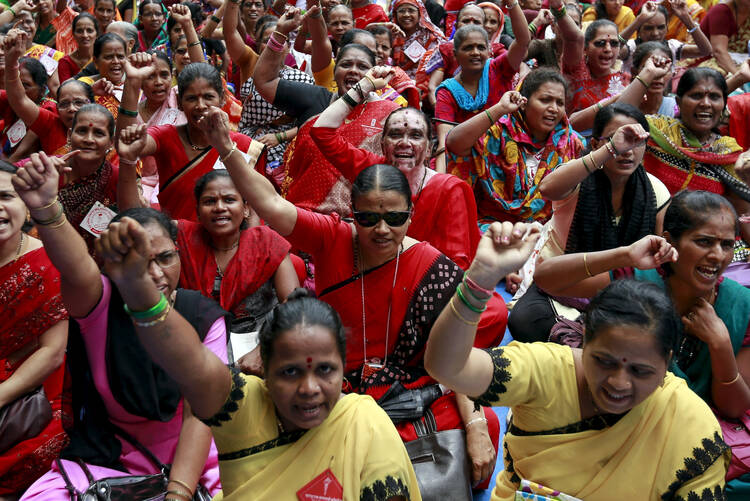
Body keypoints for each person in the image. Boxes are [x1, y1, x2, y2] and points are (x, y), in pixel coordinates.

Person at [196, 104, 503, 489]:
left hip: (405, 387)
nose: (380, 230)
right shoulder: (332, 237)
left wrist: (474, 425)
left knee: (485, 423)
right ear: (351, 214)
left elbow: (456, 353)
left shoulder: (430, 265)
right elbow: (272, 205)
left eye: (394, 218)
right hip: (330, 380)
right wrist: (226, 148)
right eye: (368, 218)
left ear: (410, 214)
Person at [424, 224, 730, 499]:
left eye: (640, 371)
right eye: (604, 361)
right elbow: (446, 367)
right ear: (583, 342)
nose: (619, 382)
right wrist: (479, 281)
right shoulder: (546, 370)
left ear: (668, 363)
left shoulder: (692, 428)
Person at [14, 153, 225, 500]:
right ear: (113, 264)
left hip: (191, 459)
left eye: (165, 258)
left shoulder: (204, 317)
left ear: (178, 254)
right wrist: (46, 207)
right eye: (139, 261)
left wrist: (177, 494)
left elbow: (199, 416)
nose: (155, 273)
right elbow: (77, 266)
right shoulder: (101, 302)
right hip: (107, 458)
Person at [535, 190, 750, 497]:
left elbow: (735, 406)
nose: (717, 255)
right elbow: (545, 278)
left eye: (727, 244)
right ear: (670, 241)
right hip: (622, 415)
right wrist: (624, 254)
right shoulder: (638, 279)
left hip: (696, 428)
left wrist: (720, 345)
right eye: (704, 241)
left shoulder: (741, 304)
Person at [508, 104, 670, 342]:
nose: (628, 151)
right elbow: (547, 188)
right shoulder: (578, 177)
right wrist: (609, 150)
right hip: (561, 285)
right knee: (523, 320)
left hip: (620, 292)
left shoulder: (655, 190)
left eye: (637, 142)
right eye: (618, 140)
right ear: (595, 144)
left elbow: (660, 258)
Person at [311, 67, 482, 271]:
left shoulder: (449, 190)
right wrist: (364, 85)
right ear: (383, 144)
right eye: (395, 134)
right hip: (367, 272)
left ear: (428, 149)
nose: (404, 142)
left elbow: (456, 264)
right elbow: (321, 132)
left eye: (416, 136)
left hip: (424, 284)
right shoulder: (371, 168)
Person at [254, 7, 401, 216]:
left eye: (362, 67)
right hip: (302, 219)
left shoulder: (390, 113)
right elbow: (264, 81)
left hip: (360, 226)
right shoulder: (315, 99)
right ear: (334, 71)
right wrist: (280, 33)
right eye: (346, 64)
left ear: (374, 72)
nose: (353, 70)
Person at [0, 161, 69, 498]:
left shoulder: (48, 261)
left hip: (30, 396)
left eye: (5, 196)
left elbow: (53, 352)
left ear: (26, 206)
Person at [115, 62, 255, 221]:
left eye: (208, 97)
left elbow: (254, 211)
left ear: (222, 98)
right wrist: (132, 82)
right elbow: (127, 143)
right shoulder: (165, 136)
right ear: (180, 103)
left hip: (230, 243)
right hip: (176, 241)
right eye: (191, 99)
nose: (201, 106)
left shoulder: (245, 146)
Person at [446, 69, 585, 227]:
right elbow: (454, 143)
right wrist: (500, 108)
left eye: (560, 103)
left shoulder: (573, 144)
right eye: (545, 100)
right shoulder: (497, 134)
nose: (554, 108)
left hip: (547, 233)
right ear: (524, 103)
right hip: (492, 229)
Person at [176, 169, 299, 337]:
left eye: (229, 200)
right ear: (198, 211)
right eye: (210, 201)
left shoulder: (268, 243)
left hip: (262, 340)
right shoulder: (182, 237)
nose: (219, 207)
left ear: (246, 209)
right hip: (196, 344)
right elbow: (138, 226)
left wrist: (262, 350)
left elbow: (294, 304)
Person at [631, 68, 750, 217]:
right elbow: (614, 118)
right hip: (646, 225)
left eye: (714, 97)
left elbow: (742, 211)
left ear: (724, 104)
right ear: (678, 101)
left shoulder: (727, 151)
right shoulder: (656, 130)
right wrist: (647, 73)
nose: (706, 103)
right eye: (696, 96)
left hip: (702, 233)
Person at [432, 10, 530, 171]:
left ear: (489, 51)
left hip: (506, 160)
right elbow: (445, 142)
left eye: (480, 47)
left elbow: (523, 40)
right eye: (468, 48)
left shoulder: (499, 69)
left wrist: (512, 4)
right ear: (455, 54)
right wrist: (441, 185)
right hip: (466, 164)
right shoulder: (447, 91)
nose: (475, 52)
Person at [4, 32, 94, 157]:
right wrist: (11, 62)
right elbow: (19, 99)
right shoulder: (51, 124)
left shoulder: (102, 123)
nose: (72, 109)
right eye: (64, 104)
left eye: (79, 102)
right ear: (58, 108)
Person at [618, 0, 711, 74]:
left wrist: (686, 18)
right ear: (638, 29)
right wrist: (639, 20)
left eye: (661, 27)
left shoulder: (672, 47)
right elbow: (614, 49)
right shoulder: (631, 48)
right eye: (648, 28)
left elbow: (705, 50)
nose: (655, 33)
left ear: (667, 27)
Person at [563, 20, 629, 115]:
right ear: (585, 49)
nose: (608, 49)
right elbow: (572, 39)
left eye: (614, 43)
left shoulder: (624, 79)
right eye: (601, 43)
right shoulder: (575, 73)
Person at [0, 57, 54, 162]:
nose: (17, 89)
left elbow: (22, 153)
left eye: (25, 85)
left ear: (42, 90)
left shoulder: (48, 109)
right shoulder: (9, 97)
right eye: (14, 84)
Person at [389, 0, 445, 79]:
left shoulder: (432, 35)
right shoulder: (391, 34)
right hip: (394, 81)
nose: (406, 15)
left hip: (426, 83)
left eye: (411, 10)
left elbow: (440, 64)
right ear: (395, 14)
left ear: (420, 13)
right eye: (401, 11)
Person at [697, 0, 750, 75]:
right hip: (710, 59)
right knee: (715, 76)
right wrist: (739, 76)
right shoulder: (721, 11)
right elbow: (718, 52)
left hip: (740, 61)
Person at [57, 13, 99, 83]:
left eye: (89, 30)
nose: (85, 35)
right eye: (79, 31)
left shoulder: (103, 57)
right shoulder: (66, 62)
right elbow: (66, 90)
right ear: (73, 34)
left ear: (96, 34)